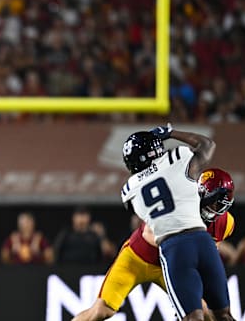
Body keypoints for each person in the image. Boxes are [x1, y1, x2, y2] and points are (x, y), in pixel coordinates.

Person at [71, 167, 236, 321]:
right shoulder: (178, 203)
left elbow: (204, 256)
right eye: (212, 200)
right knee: (101, 310)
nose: (214, 207)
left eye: (219, 203)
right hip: (138, 258)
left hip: (171, 266)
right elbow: (150, 235)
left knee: (205, 312)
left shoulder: (225, 223)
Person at [120, 124, 234, 321]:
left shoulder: (129, 191)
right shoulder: (178, 159)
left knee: (192, 317)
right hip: (202, 240)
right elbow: (207, 145)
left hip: (174, 247)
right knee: (223, 315)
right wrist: (170, 133)